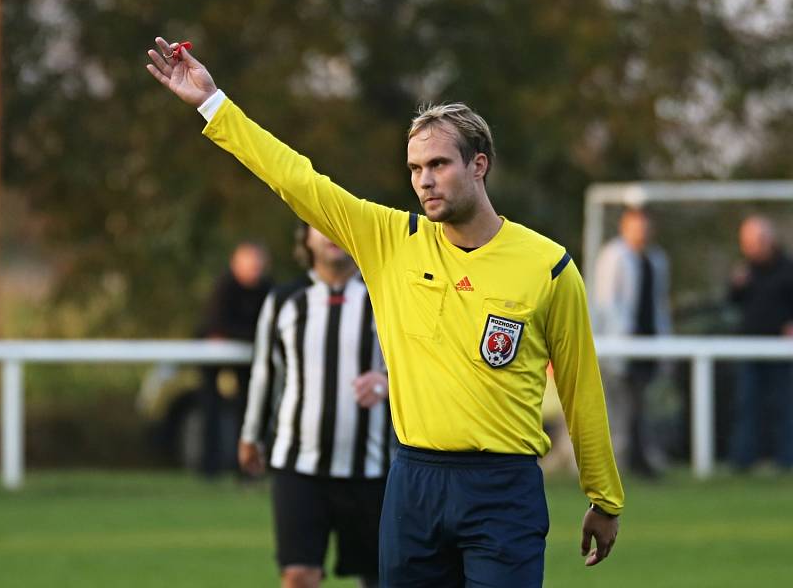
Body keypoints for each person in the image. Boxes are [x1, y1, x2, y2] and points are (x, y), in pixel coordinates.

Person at [147, 38, 623, 586]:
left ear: (480, 165)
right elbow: (296, 179)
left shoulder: (548, 266)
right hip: (412, 483)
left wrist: (604, 498)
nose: (424, 180)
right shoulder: (391, 240)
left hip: (502, 487)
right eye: (416, 167)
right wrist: (213, 104)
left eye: (439, 164)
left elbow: (582, 390)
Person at [238, 222, 393, 588]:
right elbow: (264, 372)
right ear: (305, 238)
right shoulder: (283, 300)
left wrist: (387, 383)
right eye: (319, 225)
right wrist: (250, 435)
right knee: (298, 575)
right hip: (299, 464)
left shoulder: (385, 298)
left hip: (373, 467)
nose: (330, 234)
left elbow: (419, 364)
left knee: (381, 577)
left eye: (339, 225)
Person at [592, 208, 673, 477]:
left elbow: (659, 304)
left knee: (639, 405)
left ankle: (638, 460)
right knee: (620, 408)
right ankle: (619, 463)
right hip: (618, 348)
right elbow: (605, 302)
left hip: (647, 346)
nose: (641, 233)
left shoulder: (656, 260)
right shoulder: (614, 257)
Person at [199, 241, 273, 477]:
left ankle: (247, 468)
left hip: (248, 358)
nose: (254, 270)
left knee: (250, 406)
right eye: (249, 264)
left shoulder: (267, 289)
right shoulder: (224, 287)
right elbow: (217, 325)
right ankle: (210, 468)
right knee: (210, 406)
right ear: (235, 264)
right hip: (213, 358)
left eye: (257, 265)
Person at [728, 215, 793, 472]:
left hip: (781, 351)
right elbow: (732, 300)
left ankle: (787, 460)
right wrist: (736, 285)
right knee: (747, 405)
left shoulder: (788, 268)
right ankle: (743, 460)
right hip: (749, 348)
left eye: (757, 240)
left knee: (784, 405)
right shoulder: (745, 271)